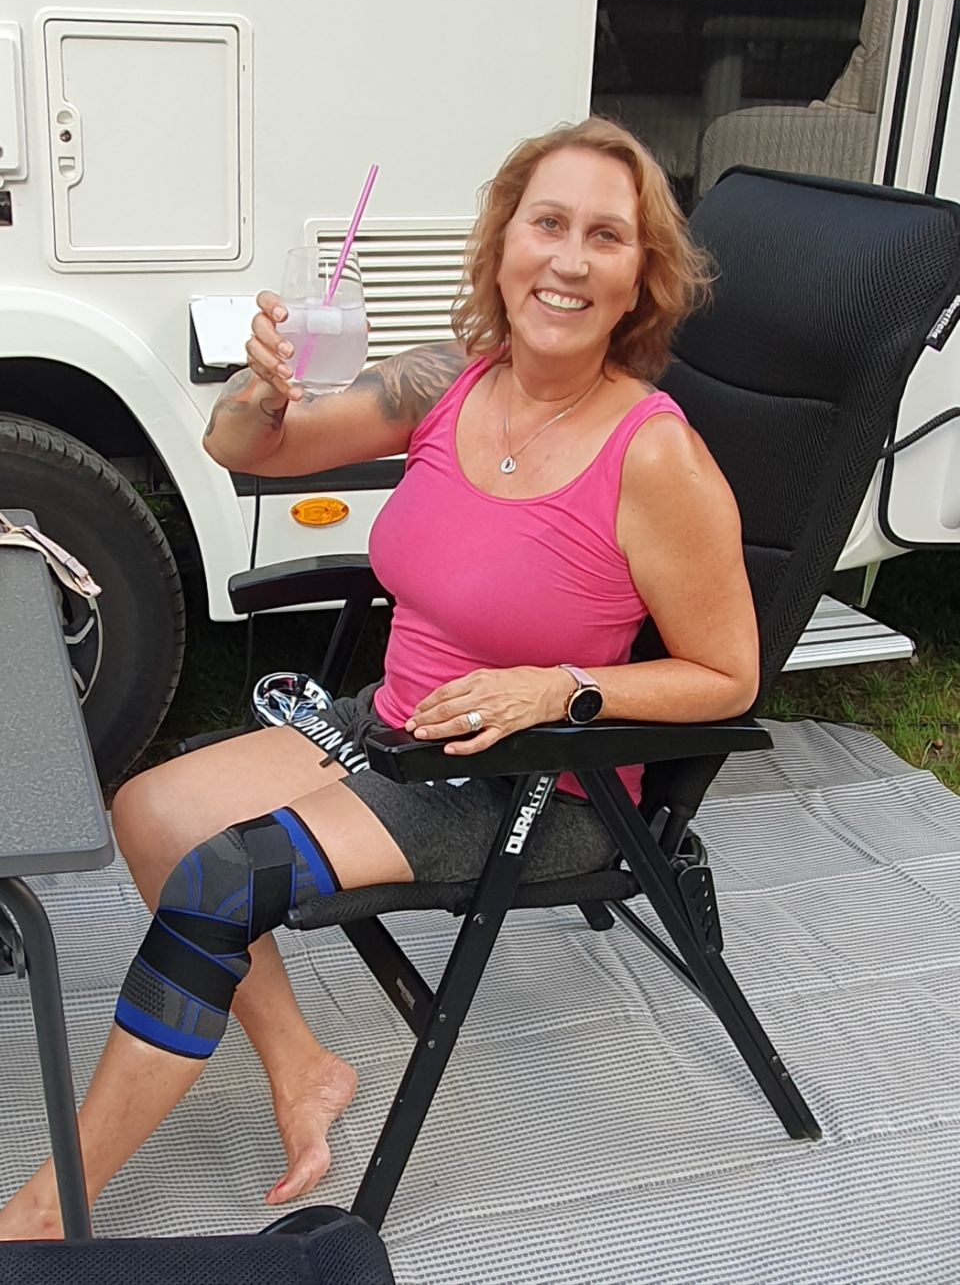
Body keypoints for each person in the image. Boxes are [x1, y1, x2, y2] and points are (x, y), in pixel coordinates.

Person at [0, 116, 759, 1239]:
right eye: (547, 223)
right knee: (151, 812)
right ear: (503, 242)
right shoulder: (448, 381)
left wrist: (555, 688)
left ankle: (47, 1213)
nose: (568, 259)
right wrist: (262, 388)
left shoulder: (656, 455)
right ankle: (304, 1068)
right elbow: (245, 448)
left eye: (606, 237)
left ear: (640, 277)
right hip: (398, 726)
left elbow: (728, 677)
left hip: (531, 780)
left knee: (220, 881)